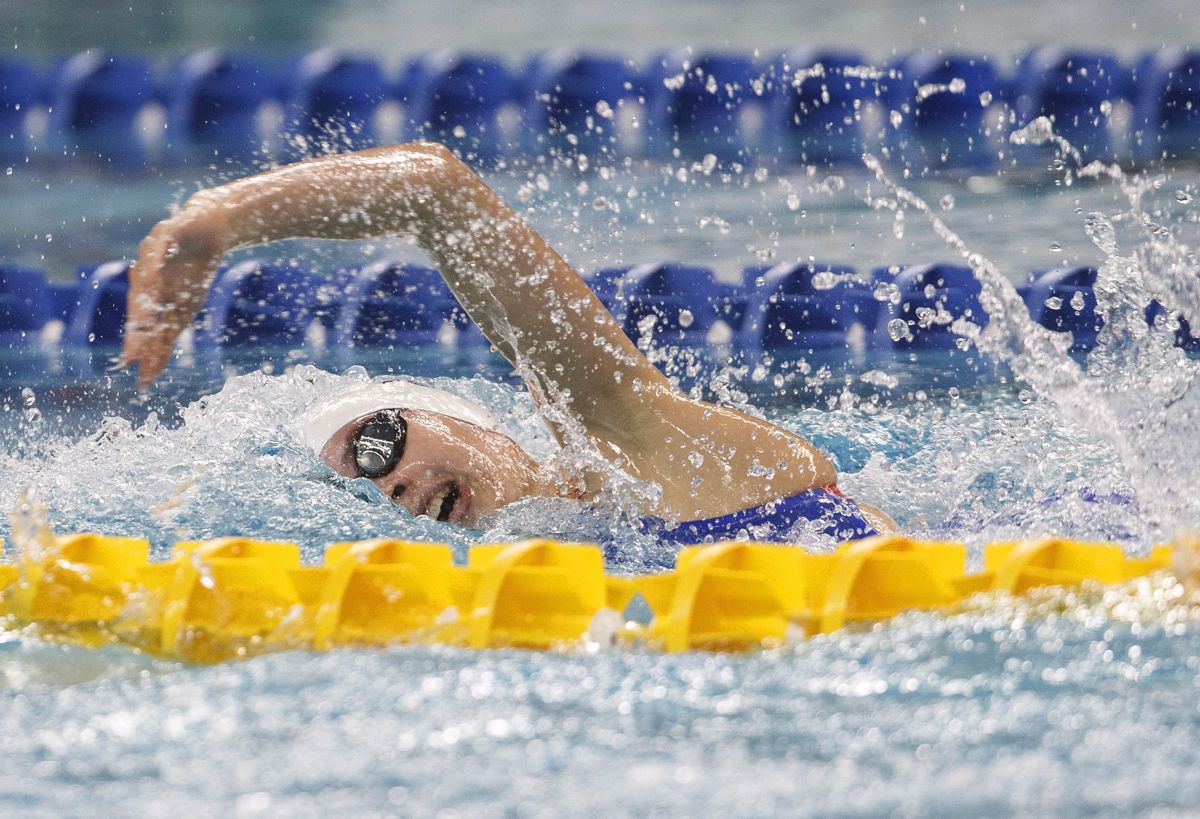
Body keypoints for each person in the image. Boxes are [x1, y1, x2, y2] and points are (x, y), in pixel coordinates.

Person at [122, 141, 894, 543]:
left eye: (377, 444)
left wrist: (219, 220)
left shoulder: (643, 451)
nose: (385, 485)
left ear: (465, 418)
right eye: (362, 492)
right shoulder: (524, 577)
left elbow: (434, 190)